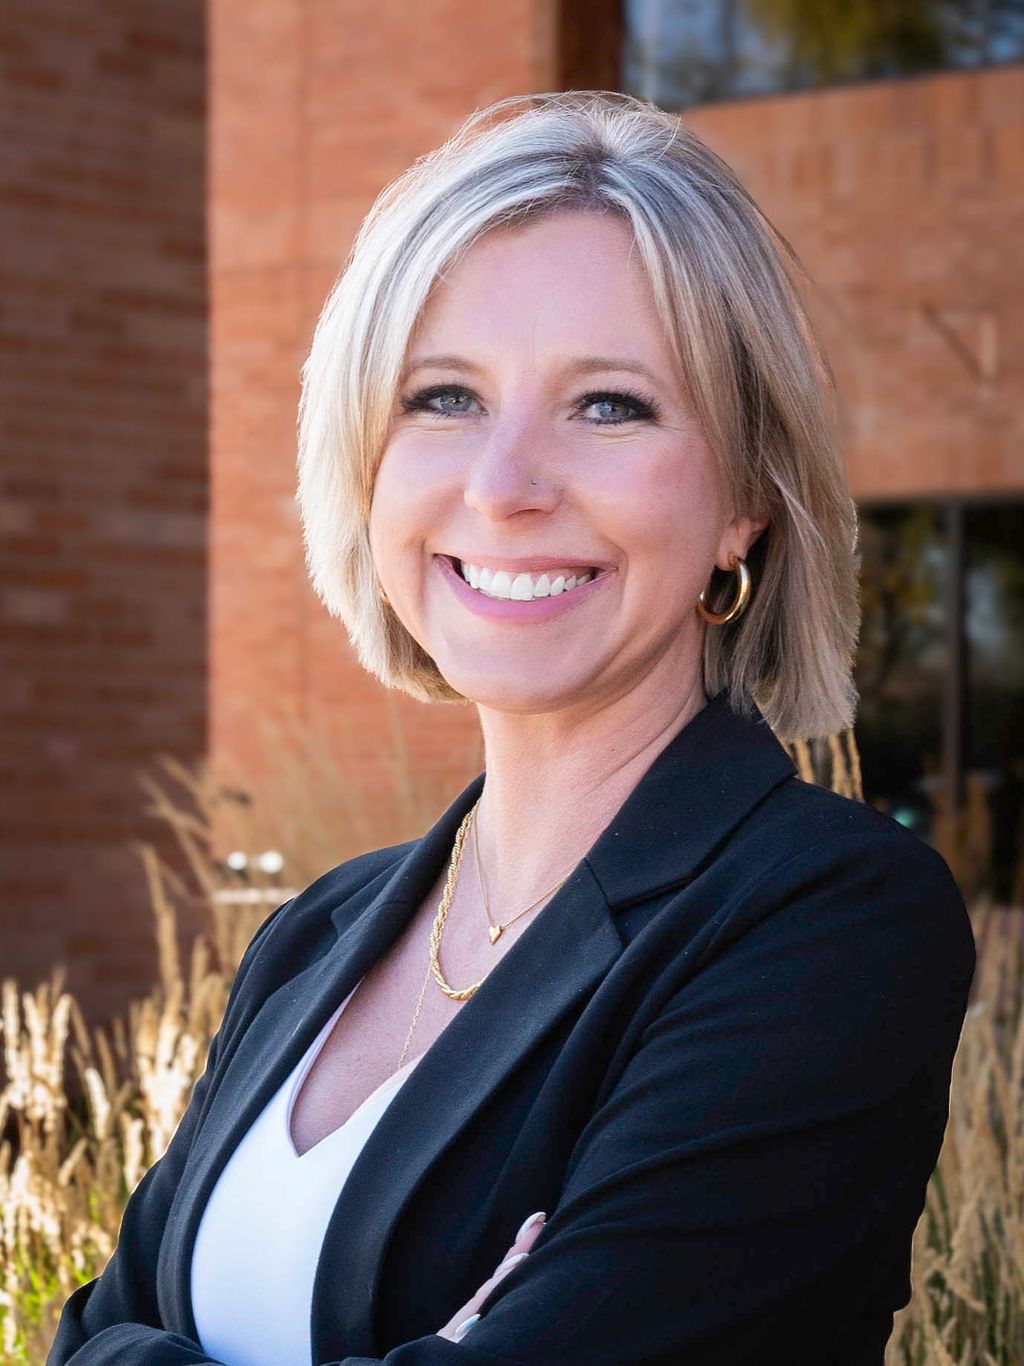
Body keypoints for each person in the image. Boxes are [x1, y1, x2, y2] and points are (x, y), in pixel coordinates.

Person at [49, 90, 976, 1366]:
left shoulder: (826, 919)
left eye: (608, 405)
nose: (503, 487)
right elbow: (79, 1335)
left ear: (744, 506)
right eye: (443, 398)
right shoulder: (313, 936)